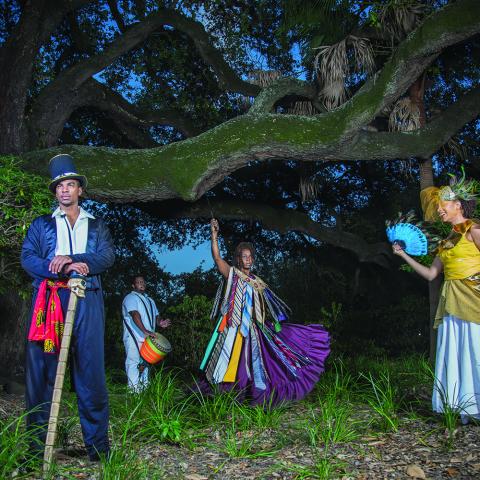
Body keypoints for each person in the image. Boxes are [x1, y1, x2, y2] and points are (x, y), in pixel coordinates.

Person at [21, 154, 115, 460]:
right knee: (42, 373)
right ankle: (37, 451)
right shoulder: (41, 225)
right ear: (55, 192)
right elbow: (28, 258)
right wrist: (57, 267)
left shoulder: (97, 225)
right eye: (60, 185)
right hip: (50, 305)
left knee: (91, 375)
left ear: (80, 191)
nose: (65, 190)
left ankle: (98, 451)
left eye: (71, 184)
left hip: (88, 302)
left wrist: (77, 262)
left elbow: (107, 257)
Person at [199, 218, 330, 405]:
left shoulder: (257, 282)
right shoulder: (233, 274)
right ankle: (227, 398)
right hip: (234, 328)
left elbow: (264, 306)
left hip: (254, 329)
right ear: (238, 258)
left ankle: (255, 396)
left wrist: (274, 321)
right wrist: (214, 236)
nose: (249, 260)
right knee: (232, 364)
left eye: (251, 256)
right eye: (245, 256)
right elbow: (218, 258)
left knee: (256, 366)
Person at [393, 174, 480, 423]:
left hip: (475, 297)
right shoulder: (447, 241)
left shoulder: (474, 230)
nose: (439, 211)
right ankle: (465, 408)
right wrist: (404, 255)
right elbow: (431, 274)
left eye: (443, 206)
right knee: (457, 350)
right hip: (452, 299)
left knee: (476, 348)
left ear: (458, 205)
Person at [122, 275, 170, 392]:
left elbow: (156, 316)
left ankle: (144, 391)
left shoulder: (150, 300)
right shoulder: (130, 297)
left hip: (148, 337)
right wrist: (144, 331)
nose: (141, 283)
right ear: (133, 286)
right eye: (138, 282)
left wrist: (160, 323)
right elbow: (135, 314)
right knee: (133, 361)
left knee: (146, 364)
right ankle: (133, 392)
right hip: (134, 335)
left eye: (143, 281)